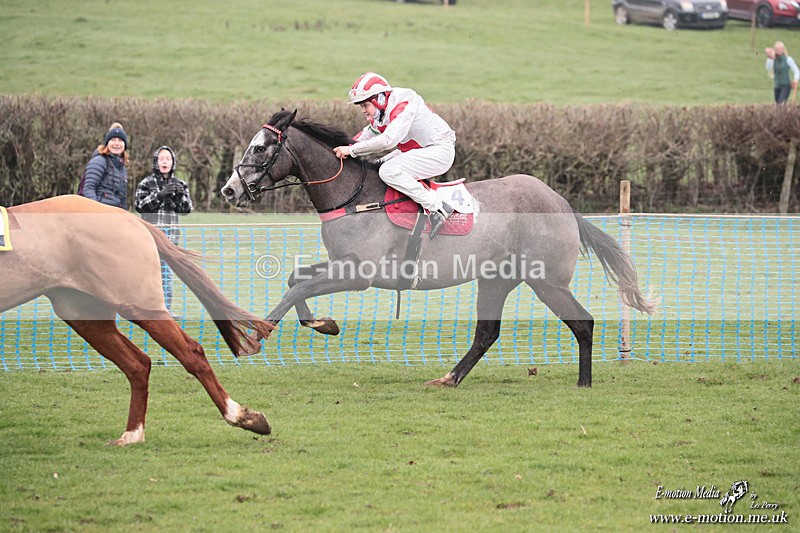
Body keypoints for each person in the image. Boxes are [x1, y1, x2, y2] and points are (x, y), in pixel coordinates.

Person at [333, 72, 457, 238]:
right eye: (361, 106)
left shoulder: (404, 103)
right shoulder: (381, 112)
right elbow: (368, 134)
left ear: (379, 99)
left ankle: (438, 207)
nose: (363, 110)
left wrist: (352, 151)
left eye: (365, 105)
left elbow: (387, 141)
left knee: (387, 171)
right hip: (417, 150)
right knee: (374, 169)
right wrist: (343, 147)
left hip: (439, 150)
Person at [134, 146, 193, 318]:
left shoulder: (180, 183)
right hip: (150, 236)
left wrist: (180, 197)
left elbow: (186, 209)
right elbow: (140, 206)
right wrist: (159, 196)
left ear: (173, 162)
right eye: (161, 159)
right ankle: (144, 307)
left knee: (166, 273)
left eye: (168, 159)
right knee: (148, 272)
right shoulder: (146, 183)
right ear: (156, 162)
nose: (165, 162)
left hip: (170, 238)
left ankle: (165, 309)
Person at [79, 122, 130, 208]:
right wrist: (97, 211)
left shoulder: (122, 168)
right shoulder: (99, 161)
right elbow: (89, 188)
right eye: (113, 140)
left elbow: (122, 198)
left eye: (120, 140)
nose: (117, 144)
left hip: (114, 214)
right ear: (107, 143)